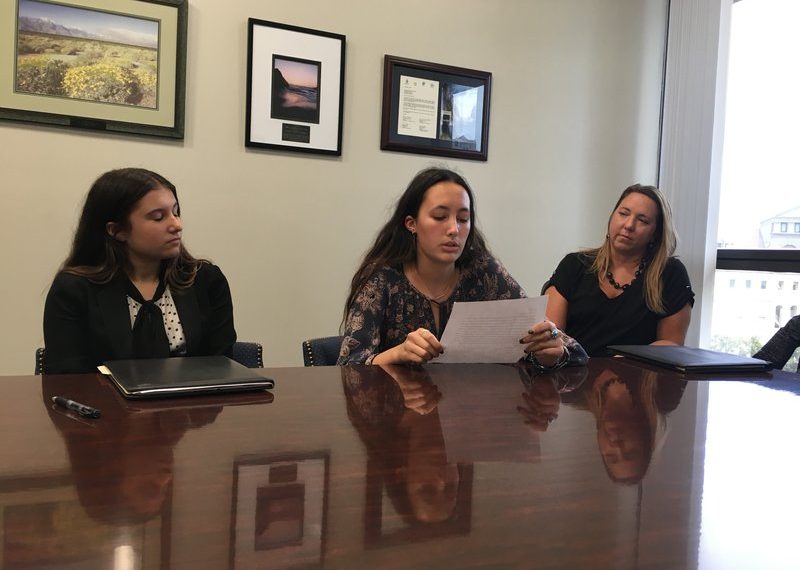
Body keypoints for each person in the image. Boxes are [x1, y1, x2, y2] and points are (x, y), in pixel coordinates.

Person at [337, 167, 587, 367]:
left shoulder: (483, 273)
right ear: (411, 224)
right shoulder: (382, 279)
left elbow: (574, 352)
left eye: (463, 219)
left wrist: (550, 351)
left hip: (471, 411)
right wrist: (397, 354)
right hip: (397, 412)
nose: (454, 229)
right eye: (439, 217)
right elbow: (348, 367)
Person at [43, 168, 236, 374]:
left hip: (193, 394)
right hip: (104, 395)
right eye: (158, 217)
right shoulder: (73, 290)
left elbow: (220, 367)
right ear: (117, 231)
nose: (177, 225)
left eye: (176, 212)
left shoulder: (205, 279)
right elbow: (67, 378)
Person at [544, 184, 695, 357]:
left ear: (655, 233)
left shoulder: (670, 273)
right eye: (623, 213)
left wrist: (626, 361)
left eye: (643, 220)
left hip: (636, 371)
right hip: (572, 370)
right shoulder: (574, 265)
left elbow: (671, 343)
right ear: (611, 218)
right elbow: (551, 334)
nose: (629, 225)